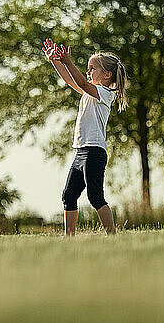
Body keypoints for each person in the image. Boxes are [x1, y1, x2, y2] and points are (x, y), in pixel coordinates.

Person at [42, 38, 128, 235]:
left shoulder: (104, 94)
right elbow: (70, 80)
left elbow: (80, 80)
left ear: (107, 75)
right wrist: (55, 61)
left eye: (92, 69)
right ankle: (69, 238)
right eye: (88, 69)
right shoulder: (89, 93)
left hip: (95, 153)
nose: (88, 73)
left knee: (95, 197)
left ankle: (112, 236)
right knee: (68, 196)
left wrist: (68, 61)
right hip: (81, 152)